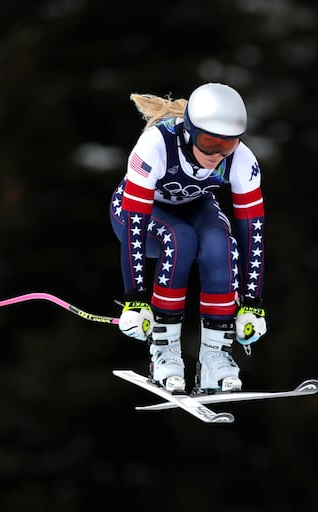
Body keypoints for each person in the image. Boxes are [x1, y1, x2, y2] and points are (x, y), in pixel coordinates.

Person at [109, 82, 267, 394]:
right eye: (208, 142)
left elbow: (254, 232)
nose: (217, 154)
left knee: (220, 244)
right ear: (190, 132)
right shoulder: (155, 145)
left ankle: (215, 358)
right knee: (180, 239)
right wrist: (135, 299)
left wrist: (252, 304)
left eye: (227, 144)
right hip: (137, 215)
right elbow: (136, 223)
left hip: (195, 206)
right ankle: (164, 352)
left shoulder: (242, 159)